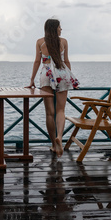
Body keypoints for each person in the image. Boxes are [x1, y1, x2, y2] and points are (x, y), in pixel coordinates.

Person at [27, 18, 79, 157]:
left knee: (49, 113)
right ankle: (60, 137)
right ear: (55, 28)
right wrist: (71, 79)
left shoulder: (40, 42)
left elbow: (37, 61)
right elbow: (66, 61)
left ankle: (53, 144)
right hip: (62, 73)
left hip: (46, 74)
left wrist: (32, 80)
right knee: (60, 110)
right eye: (60, 27)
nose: (61, 29)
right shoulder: (63, 42)